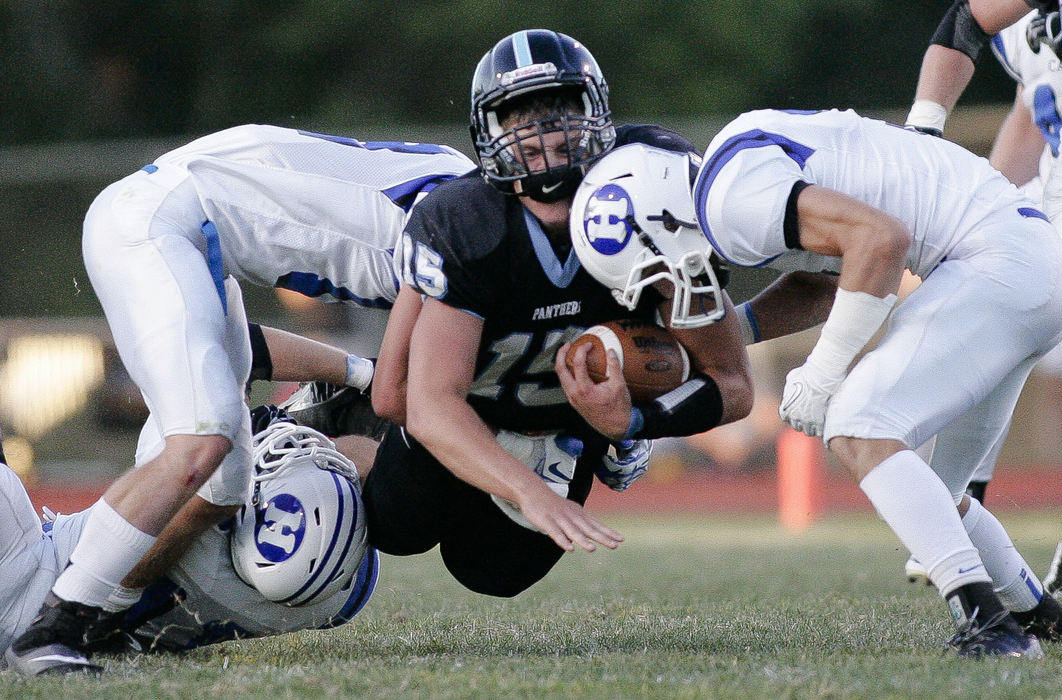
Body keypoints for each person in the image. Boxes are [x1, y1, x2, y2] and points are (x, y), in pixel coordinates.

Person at [567, 110, 1062, 657]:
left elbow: (881, 241)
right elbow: (823, 287)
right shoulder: (734, 171)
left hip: (998, 267)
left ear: (661, 221)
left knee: (860, 426)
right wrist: (731, 335)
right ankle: (1047, 620)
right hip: (1030, 263)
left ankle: (991, 628)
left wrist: (822, 374)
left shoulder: (727, 203)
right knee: (938, 495)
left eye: (652, 274)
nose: (665, 295)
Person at [5, 124, 475, 676]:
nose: (306, 426)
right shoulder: (335, 577)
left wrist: (83, 612)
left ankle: (54, 631)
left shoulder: (307, 518)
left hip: (37, 582)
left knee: (209, 449)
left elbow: (199, 507)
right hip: (43, 556)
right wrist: (363, 373)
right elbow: (237, 346)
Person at [362, 29, 751, 598]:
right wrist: (530, 491)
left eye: (559, 117)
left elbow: (733, 384)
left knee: (493, 573)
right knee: (396, 528)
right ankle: (333, 422)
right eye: (523, 124)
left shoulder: (649, 192)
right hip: (474, 410)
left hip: (569, 425)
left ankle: (600, 447)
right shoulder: (469, 224)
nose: (545, 140)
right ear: (487, 134)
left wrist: (632, 422)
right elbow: (421, 403)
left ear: (597, 116)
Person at [903, 0, 1062, 591]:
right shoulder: (1026, 27)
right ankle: (957, 504)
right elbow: (1028, 100)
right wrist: (974, 200)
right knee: (1032, 325)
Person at [2, 409, 379, 673]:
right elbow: (333, 524)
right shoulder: (342, 597)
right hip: (57, 601)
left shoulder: (204, 504)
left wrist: (356, 372)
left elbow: (234, 344)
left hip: (33, 580)